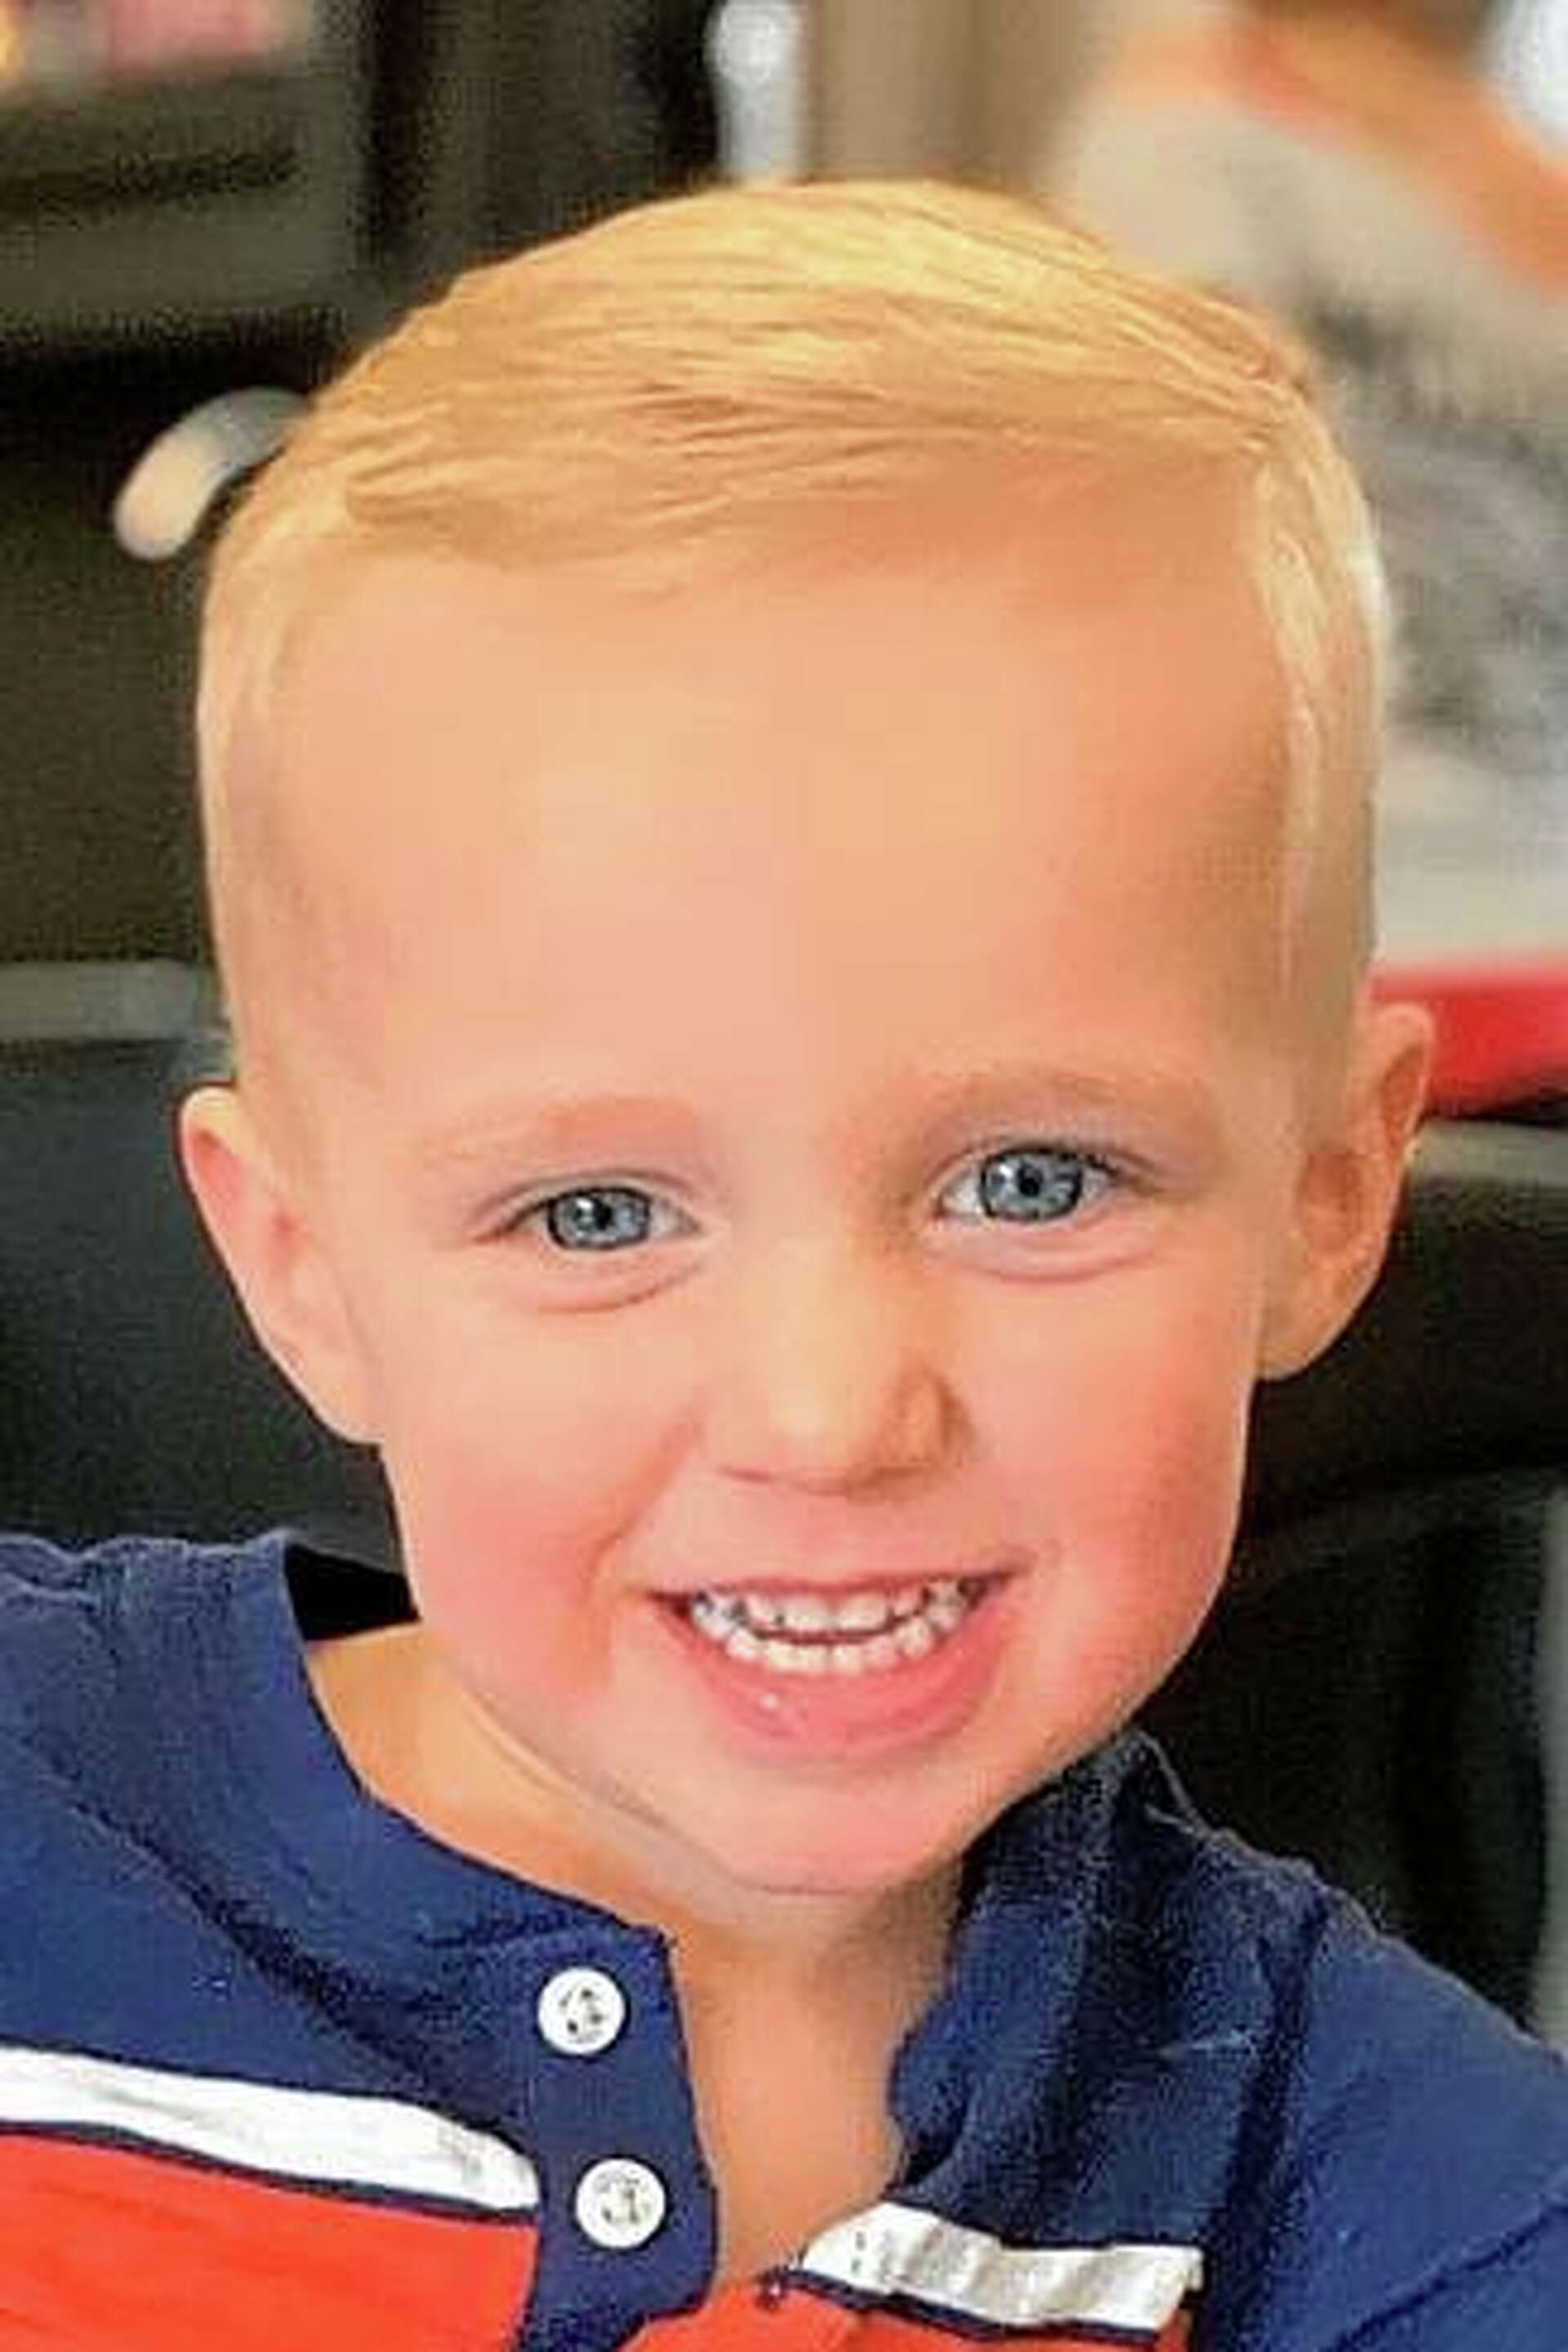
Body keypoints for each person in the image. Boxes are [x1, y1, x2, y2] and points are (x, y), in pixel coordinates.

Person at [1, 179, 1565, 2348]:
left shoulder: (1421, 2212)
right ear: (303, 1267)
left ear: (1325, 1197)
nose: (828, 1414)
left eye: (1032, 1181)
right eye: (596, 1214)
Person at [1049, 0, 1568, 967]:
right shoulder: (1192, 140)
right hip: (1354, 907)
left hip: (1542, 884)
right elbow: (1178, 508)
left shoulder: (1524, 146)